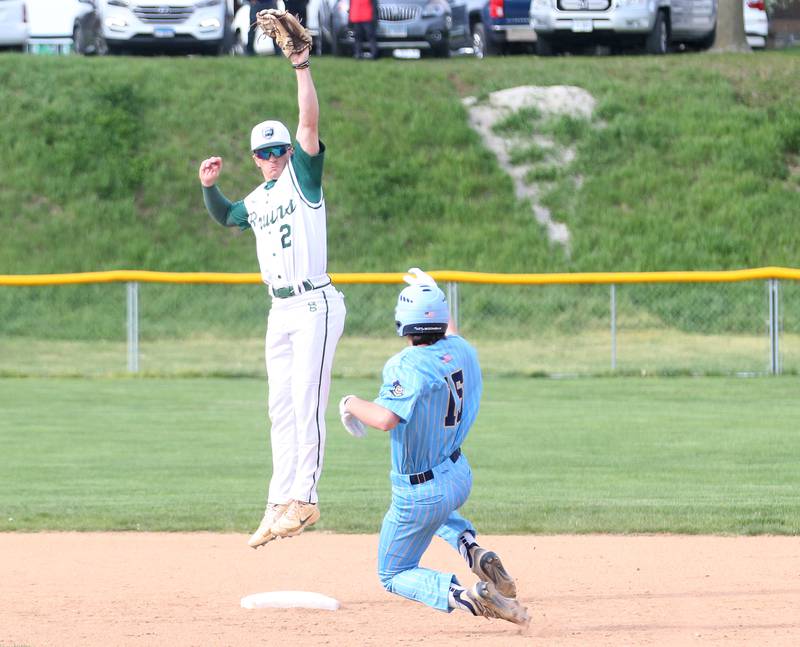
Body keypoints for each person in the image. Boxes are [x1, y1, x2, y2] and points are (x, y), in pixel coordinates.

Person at [198, 41, 346, 548]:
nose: (270, 158)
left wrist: (301, 67)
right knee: (280, 407)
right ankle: (279, 498)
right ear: (255, 158)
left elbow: (308, 123)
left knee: (308, 398)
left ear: (288, 152)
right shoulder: (258, 200)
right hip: (280, 309)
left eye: (277, 149)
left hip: (314, 302)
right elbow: (224, 216)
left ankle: (305, 497)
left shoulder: (302, 180)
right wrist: (209, 188)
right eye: (261, 152)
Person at [338, 269, 529, 626]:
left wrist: (348, 402)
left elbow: (384, 418)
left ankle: (468, 597)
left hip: (420, 492)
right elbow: (448, 330)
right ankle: (472, 547)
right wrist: (432, 292)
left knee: (393, 573)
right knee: (436, 514)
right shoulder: (461, 349)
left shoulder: (407, 364)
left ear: (401, 323)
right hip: (457, 475)